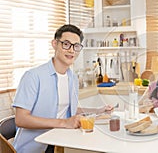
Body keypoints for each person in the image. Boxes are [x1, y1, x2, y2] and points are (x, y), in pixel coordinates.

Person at [12, 24, 113, 153]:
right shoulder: (33, 76)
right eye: (66, 44)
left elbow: (68, 109)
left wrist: (98, 110)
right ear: (55, 44)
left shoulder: (72, 78)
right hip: (33, 148)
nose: (71, 50)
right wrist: (64, 123)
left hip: (59, 144)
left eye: (76, 46)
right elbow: (21, 119)